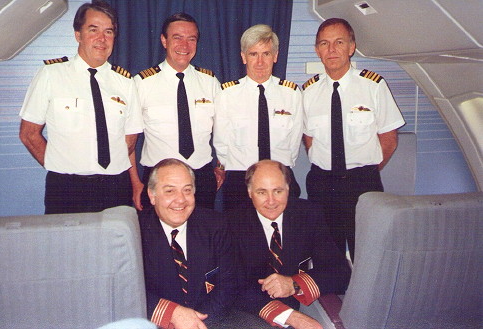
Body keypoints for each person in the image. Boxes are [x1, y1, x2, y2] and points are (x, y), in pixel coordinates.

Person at [19, 1, 142, 214]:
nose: (102, 39)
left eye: (108, 31)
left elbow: (130, 138)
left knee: (115, 246)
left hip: (116, 186)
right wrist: (60, 165)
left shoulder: (125, 82)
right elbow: (28, 134)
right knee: (67, 246)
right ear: (78, 35)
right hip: (67, 188)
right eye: (93, 30)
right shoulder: (51, 74)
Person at [302, 18, 405, 260]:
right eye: (324, 44)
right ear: (317, 51)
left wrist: (364, 170)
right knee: (327, 254)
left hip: (362, 183)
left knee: (367, 252)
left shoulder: (373, 86)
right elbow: (309, 139)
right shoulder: (308, 91)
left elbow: (389, 139)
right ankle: (334, 297)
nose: (332, 50)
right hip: (322, 183)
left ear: (351, 47)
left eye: (339, 42)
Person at [228, 160, 351, 329]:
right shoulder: (230, 223)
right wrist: (291, 317)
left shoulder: (309, 214)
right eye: (262, 192)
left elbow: (340, 272)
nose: (271, 201)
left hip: (299, 302)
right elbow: (231, 285)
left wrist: (294, 284)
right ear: (250, 192)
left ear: (288, 189)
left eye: (278, 191)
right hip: (251, 312)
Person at [131, 13, 221, 211]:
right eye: (177, 37)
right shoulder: (143, 83)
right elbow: (129, 139)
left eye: (191, 39)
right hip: (158, 180)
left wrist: (220, 167)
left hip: (201, 179)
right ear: (164, 40)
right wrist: (136, 182)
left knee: (202, 237)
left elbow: (225, 130)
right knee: (157, 239)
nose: (185, 45)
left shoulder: (209, 82)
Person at [213, 24, 303, 211]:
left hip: (280, 177)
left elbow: (294, 143)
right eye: (253, 54)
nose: (260, 62)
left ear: (276, 56)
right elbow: (222, 143)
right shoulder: (227, 94)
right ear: (244, 57)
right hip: (241, 180)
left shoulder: (292, 94)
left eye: (266, 54)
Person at [139, 158, 237, 329]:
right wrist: (173, 314)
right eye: (170, 191)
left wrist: (196, 323)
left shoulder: (216, 225)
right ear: (152, 195)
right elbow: (128, 293)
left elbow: (229, 285)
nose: (180, 200)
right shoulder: (135, 232)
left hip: (208, 321)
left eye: (187, 190)